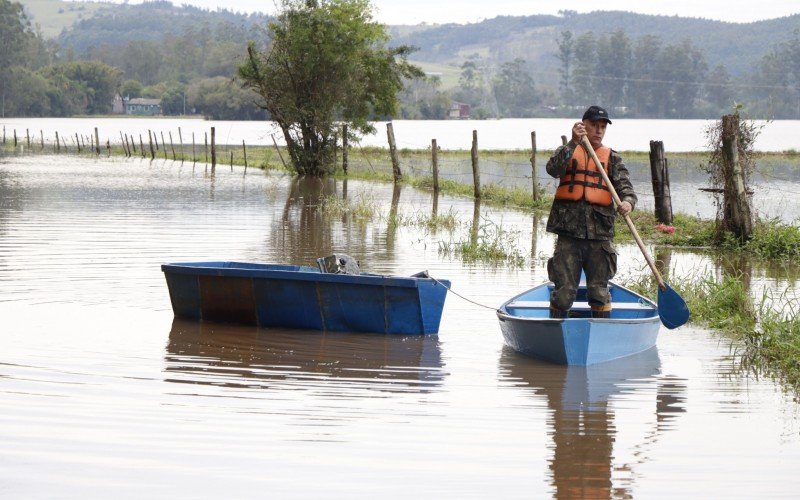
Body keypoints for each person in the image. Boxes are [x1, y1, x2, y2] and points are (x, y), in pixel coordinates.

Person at [544, 105, 637, 319]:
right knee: (564, 294)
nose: (598, 130)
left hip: (599, 236)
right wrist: (573, 142)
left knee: (599, 292)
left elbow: (627, 190)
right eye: (594, 125)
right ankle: (556, 333)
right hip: (569, 234)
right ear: (583, 125)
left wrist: (627, 203)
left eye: (602, 127)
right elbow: (553, 170)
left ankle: (600, 334)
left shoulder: (612, 158)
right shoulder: (567, 150)